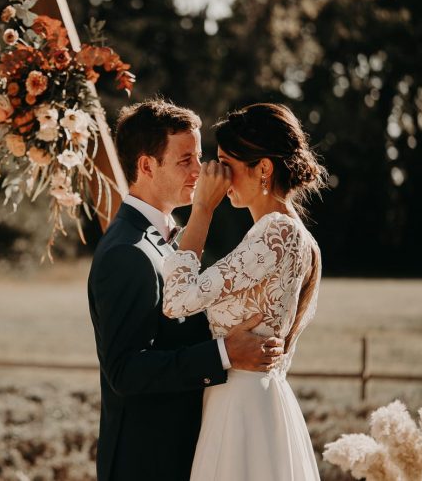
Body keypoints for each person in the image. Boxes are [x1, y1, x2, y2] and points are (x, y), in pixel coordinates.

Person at [87, 99, 284, 481]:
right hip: (147, 462)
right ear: (146, 166)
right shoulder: (126, 253)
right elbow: (125, 371)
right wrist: (224, 353)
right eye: (185, 160)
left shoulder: (163, 240)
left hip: (182, 452)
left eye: (199, 157)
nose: (200, 170)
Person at [162, 102, 327, 480]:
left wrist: (202, 208)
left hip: (242, 408)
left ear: (263, 168)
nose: (215, 174)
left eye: (225, 163)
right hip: (255, 401)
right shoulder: (298, 236)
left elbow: (177, 301)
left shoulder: (276, 233)